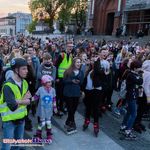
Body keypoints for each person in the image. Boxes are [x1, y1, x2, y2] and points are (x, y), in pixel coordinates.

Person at [0, 58, 31, 150]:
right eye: (24, 69)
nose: (27, 71)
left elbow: (29, 100)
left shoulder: (24, 82)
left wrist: (18, 101)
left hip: (21, 119)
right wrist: (23, 100)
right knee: (6, 147)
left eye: (27, 69)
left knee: (17, 145)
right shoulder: (7, 86)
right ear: (16, 70)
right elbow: (13, 107)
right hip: (9, 121)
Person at [120, 60, 143, 139]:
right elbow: (140, 82)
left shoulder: (132, 74)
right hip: (131, 96)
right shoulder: (131, 75)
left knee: (129, 112)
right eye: (139, 67)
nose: (141, 69)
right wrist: (140, 75)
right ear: (135, 68)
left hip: (131, 96)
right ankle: (128, 130)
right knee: (134, 114)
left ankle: (123, 126)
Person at [33, 75, 57, 143]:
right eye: (48, 82)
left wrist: (55, 107)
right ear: (44, 82)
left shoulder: (53, 90)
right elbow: (36, 96)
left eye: (51, 82)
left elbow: (54, 99)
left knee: (49, 122)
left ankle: (49, 135)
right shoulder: (40, 89)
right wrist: (29, 100)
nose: (50, 83)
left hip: (49, 109)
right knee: (42, 123)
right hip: (42, 109)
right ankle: (38, 135)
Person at [63, 57, 84, 134]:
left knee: (74, 109)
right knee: (70, 109)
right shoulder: (67, 71)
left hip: (76, 93)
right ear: (73, 63)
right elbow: (64, 81)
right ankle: (72, 123)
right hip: (68, 93)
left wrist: (78, 81)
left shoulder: (81, 72)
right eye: (77, 62)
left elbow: (81, 82)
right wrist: (71, 80)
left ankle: (67, 122)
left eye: (79, 62)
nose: (79, 64)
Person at [55, 42, 73, 115]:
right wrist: (56, 77)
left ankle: (61, 107)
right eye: (69, 46)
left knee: (63, 94)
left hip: (66, 78)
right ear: (66, 47)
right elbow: (56, 66)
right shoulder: (62, 55)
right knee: (58, 94)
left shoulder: (71, 55)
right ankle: (56, 108)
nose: (70, 48)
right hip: (60, 78)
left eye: (71, 47)